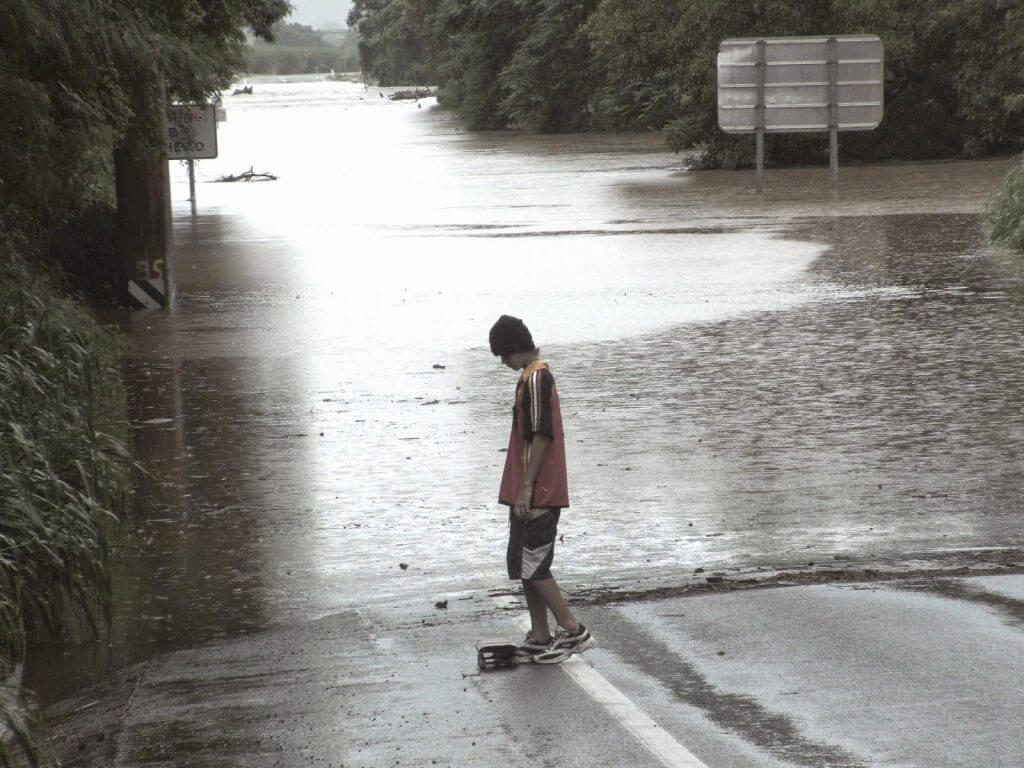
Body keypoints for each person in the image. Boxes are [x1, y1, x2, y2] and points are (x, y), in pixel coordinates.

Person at [488, 314, 595, 664]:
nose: (504, 363)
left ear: (517, 349)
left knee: (535, 564)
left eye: (505, 356)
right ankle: (539, 634)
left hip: (539, 492)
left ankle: (574, 630)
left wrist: (527, 488)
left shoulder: (537, 380)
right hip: (528, 490)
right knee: (522, 563)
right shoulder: (528, 379)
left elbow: (542, 436)